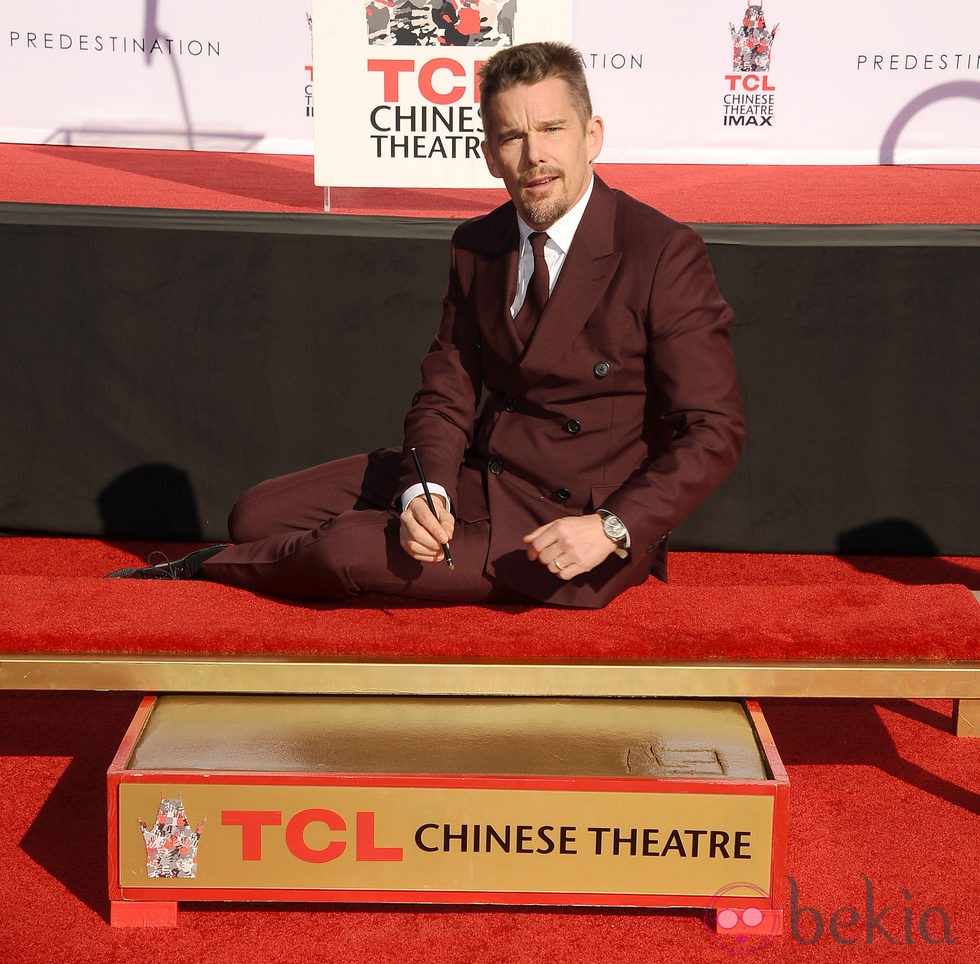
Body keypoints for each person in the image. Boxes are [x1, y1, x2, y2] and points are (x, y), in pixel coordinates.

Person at [108, 41, 745, 609]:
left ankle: (201, 570)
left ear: (592, 135)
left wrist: (612, 527)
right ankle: (405, 514)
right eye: (512, 137)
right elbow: (447, 391)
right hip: (483, 473)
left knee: (344, 550)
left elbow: (714, 430)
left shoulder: (661, 251)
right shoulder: (478, 243)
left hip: (574, 522)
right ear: (490, 153)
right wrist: (425, 489)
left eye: (552, 128)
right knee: (257, 513)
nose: (535, 156)